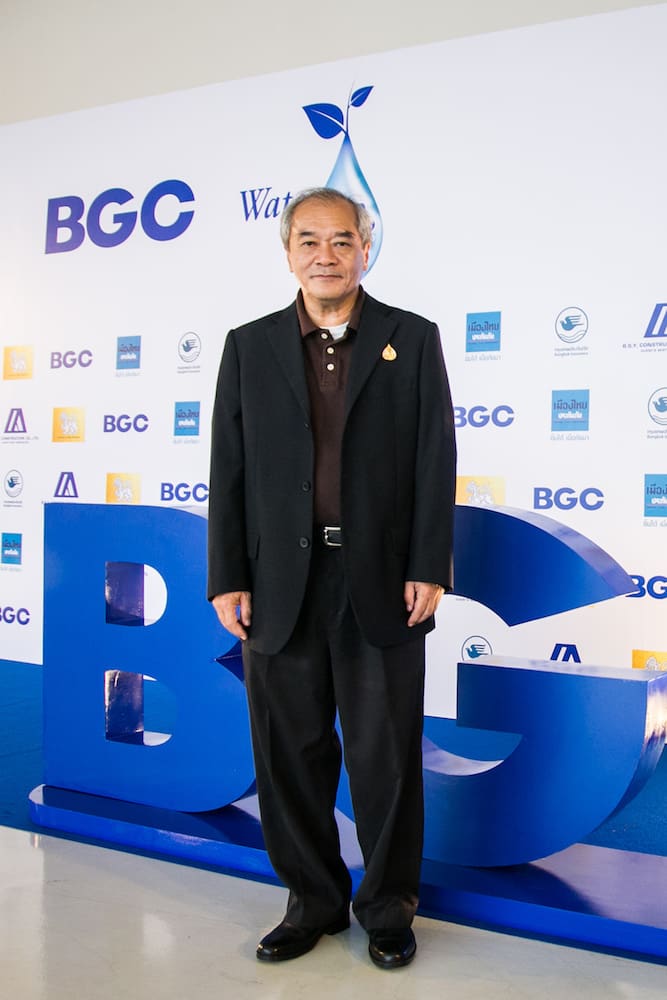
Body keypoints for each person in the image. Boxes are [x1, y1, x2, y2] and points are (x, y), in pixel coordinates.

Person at [208, 187, 456, 969]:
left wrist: (428, 565)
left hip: (380, 582)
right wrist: (227, 577)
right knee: (290, 754)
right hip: (279, 584)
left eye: (341, 240)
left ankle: (387, 908)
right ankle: (310, 901)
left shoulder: (411, 338)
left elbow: (433, 458)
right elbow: (229, 469)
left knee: (386, 757)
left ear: (364, 250)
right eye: (309, 241)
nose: (325, 255)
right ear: (288, 253)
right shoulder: (247, 345)